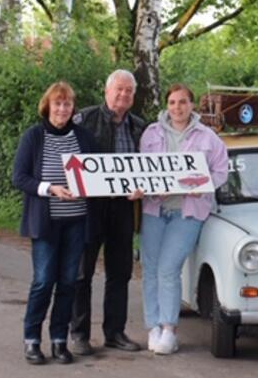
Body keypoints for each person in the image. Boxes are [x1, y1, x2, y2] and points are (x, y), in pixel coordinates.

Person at [136, 84, 228, 354]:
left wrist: (204, 184)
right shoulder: (151, 133)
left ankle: (169, 329)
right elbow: (141, 168)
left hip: (187, 213)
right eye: (173, 102)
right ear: (167, 105)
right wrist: (140, 187)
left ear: (192, 105)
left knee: (168, 268)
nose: (178, 107)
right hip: (154, 209)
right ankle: (152, 324)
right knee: (150, 269)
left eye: (183, 102)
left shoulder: (208, 137)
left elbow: (221, 171)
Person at [12, 82, 96, 365]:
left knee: (69, 283)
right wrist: (50, 188)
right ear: (47, 106)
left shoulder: (83, 137)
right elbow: (19, 177)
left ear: (73, 108)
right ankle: (32, 340)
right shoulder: (33, 137)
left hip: (77, 222)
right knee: (44, 281)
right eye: (58, 104)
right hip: (46, 223)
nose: (62, 109)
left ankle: (60, 340)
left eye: (68, 104)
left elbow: (99, 173)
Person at [70, 70, 147, 354]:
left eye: (128, 91)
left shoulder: (139, 127)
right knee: (82, 272)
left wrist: (144, 187)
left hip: (123, 207)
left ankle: (115, 332)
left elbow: (150, 167)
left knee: (120, 272)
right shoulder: (84, 120)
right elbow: (67, 156)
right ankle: (79, 334)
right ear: (106, 91)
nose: (123, 95)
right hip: (90, 206)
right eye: (119, 90)